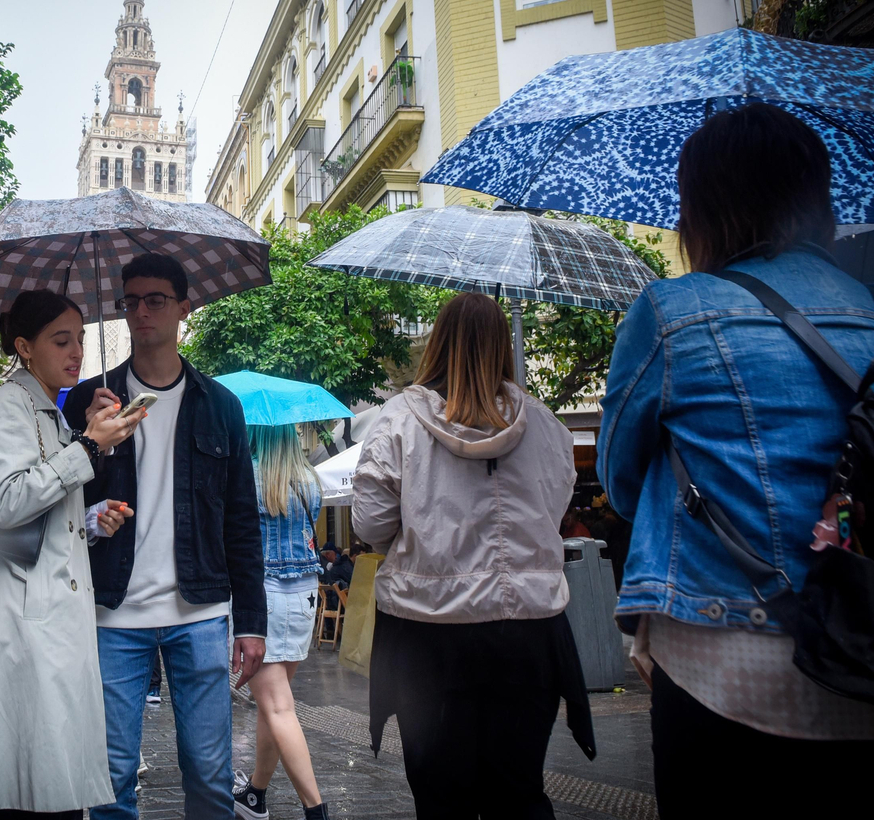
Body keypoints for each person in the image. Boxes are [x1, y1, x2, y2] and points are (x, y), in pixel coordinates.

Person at [599, 104, 874, 817]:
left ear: (702, 207)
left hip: (734, 666)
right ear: (818, 199)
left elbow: (620, 483)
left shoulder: (672, 311)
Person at [353, 292, 592, 820]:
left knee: (441, 798)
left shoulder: (396, 421)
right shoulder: (546, 425)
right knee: (521, 791)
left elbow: (370, 525)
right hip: (530, 630)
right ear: (502, 347)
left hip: (428, 636)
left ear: (437, 342)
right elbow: (554, 510)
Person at [63, 252, 267, 820]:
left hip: (198, 612)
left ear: (183, 308)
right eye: (131, 301)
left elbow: (241, 521)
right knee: (110, 776)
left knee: (208, 772)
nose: (141, 312)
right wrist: (93, 439)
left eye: (155, 300)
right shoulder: (89, 398)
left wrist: (251, 623)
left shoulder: (220, 405)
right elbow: (63, 503)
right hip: (112, 611)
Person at [0, 289, 144, 819]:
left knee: (45, 787)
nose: (75, 351)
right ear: (24, 347)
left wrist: (92, 522)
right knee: (27, 791)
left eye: (80, 339)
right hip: (18, 622)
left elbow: (46, 518)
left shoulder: (47, 409)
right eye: (60, 340)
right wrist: (89, 447)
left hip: (42, 619)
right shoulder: (9, 404)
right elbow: (6, 504)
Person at [233, 424, 331, 820]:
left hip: (263, 595)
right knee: (273, 704)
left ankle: (315, 809)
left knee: (277, 707)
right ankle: (255, 794)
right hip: (304, 595)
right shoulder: (309, 479)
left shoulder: (248, 475)